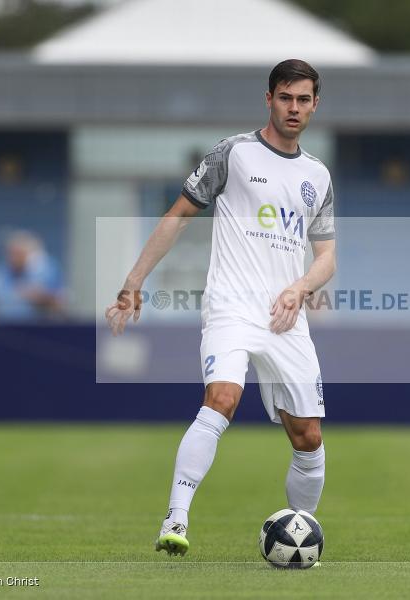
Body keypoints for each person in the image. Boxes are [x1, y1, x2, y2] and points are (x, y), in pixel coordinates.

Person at [105, 59, 337, 558]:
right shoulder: (234, 153)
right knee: (223, 399)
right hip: (231, 307)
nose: (293, 108)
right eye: (284, 98)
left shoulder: (317, 176)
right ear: (269, 99)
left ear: (315, 104)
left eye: (303, 100)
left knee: (309, 436)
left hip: (286, 318)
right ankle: (176, 518)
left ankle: (301, 532)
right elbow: (178, 215)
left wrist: (300, 289)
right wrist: (133, 281)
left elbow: (327, 257)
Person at [0, 231, 65, 319]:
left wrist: (40, 296)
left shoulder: (46, 271)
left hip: (36, 327)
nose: (14, 257)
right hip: (4, 327)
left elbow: (58, 302)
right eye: (11, 253)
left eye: (19, 253)